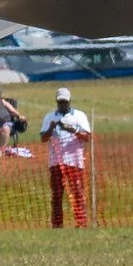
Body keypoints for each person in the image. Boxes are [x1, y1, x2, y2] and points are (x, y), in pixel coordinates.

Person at [40, 88, 92, 227]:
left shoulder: (79, 116)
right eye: (60, 102)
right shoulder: (49, 117)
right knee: (57, 194)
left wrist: (72, 129)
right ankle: (57, 224)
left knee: (77, 192)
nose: (62, 105)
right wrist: (51, 129)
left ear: (69, 101)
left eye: (65, 102)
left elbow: (87, 136)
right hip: (56, 162)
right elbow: (43, 138)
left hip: (75, 162)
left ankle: (81, 223)